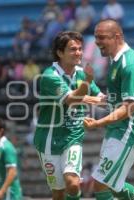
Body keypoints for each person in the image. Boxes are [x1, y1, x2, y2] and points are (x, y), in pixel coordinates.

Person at [84, 19, 134, 200]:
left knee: (101, 183)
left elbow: (128, 107)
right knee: (113, 185)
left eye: (102, 37)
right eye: (96, 37)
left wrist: (98, 123)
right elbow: (114, 99)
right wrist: (89, 96)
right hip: (117, 129)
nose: (97, 42)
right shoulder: (116, 60)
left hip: (128, 129)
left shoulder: (129, 64)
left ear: (117, 37)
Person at [34, 31, 104, 200]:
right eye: (73, 49)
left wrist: (119, 98)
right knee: (58, 193)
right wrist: (87, 83)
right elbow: (72, 99)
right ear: (59, 52)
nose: (78, 53)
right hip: (48, 140)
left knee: (72, 184)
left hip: (73, 136)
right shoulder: (50, 76)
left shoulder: (81, 73)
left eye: (80, 49)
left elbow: (100, 98)